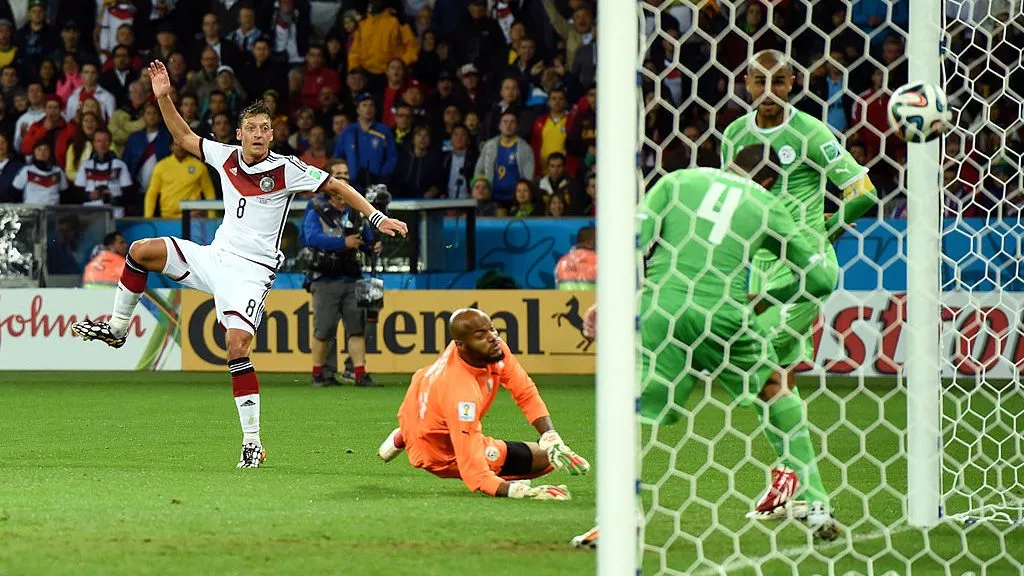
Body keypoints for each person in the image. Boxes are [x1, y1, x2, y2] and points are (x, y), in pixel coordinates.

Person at [71, 61, 408, 469]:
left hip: (251, 272)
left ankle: (252, 442)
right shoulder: (225, 157)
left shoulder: (287, 169)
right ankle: (118, 329)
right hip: (215, 257)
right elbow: (182, 135)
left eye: (266, 128)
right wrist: (162, 97)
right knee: (141, 250)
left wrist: (376, 218)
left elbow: (336, 185)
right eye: (252, 128)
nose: (259, 134)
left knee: (235, 346)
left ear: (272, 133)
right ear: (240, 134)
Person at [570, 145, 840, 549]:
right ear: (769, 182)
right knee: (774, 388)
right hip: (725, 315)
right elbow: (820, 279)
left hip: (663, 308)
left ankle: (618, 520)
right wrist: (764, 300)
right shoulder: (765, 203)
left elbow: (631, 241)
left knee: (627, 406)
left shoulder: (678, 181)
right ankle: (817, 504)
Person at [720, 49, 877, 518]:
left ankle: (807, 492)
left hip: (805, 270)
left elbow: (862, 192)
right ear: (745, 83)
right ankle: (791, 479)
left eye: (780, 81)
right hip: (761, 269)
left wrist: (823, 232)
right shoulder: (734, 135)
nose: (769, 91)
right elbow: (735, 198)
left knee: (757, 365)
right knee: (773, 379)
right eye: (758, 81)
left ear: (793, 83)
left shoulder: (809, 131)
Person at [377, 308, 589, 499]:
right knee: (545, 461)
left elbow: (524, 391)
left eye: (492, 330)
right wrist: (520, 491)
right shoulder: (461, 396)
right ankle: (410, 434)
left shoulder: (489, 349)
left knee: (548, 453)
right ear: (460, 345)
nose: (493, 338)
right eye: (481, 336)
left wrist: (551, 437)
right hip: (439, 451)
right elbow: (474, 472)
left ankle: (405, 433)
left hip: (420, 403)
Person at [303, 170, 382, 388]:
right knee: (324, 329)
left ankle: (359, 373)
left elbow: (364, 241)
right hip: (325, 278)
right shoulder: (317, 210)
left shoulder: (356, 213)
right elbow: (311, 238)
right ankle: (318, 373)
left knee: (356, 328)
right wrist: (342, 243)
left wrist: (372, 247)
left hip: (353, 277)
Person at [553, 226, 596, 290]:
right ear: (591, 242)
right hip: (591, 299)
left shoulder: (562, 261)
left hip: (565, 299)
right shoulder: (598, 260)